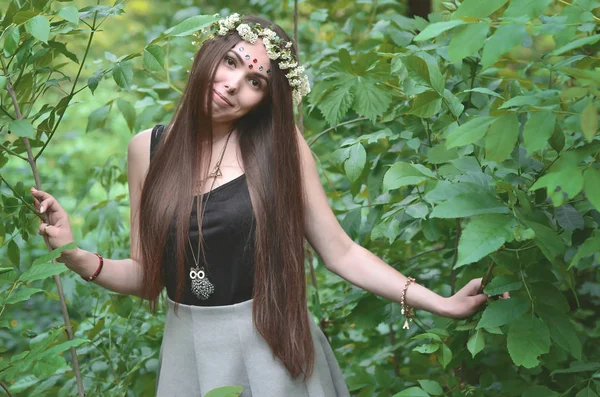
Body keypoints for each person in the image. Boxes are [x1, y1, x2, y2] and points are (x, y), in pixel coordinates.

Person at [30, 14, 494, 397]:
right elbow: (146, 275)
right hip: (188, 350)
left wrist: (441, 304)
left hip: (271, 344)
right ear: (208, 54)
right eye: (230, 62)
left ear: (264, 101)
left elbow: (341, 252)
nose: (233, 84)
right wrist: (72, 254)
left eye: (255, 81)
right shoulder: (145, 150)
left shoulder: (279, 149)